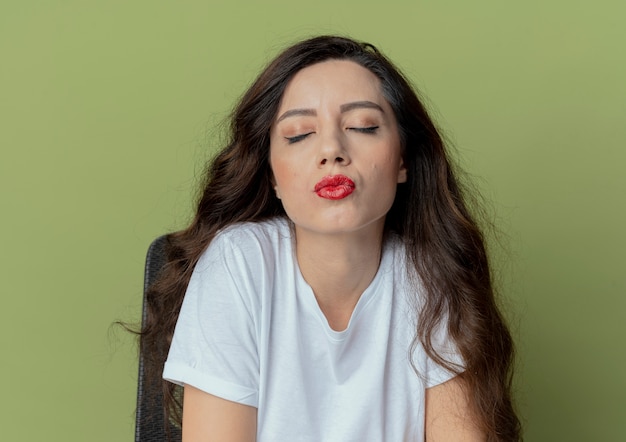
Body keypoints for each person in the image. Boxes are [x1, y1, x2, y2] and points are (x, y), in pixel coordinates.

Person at [140, 35, 521, 441]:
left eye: (363, 126)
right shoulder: (237, 263)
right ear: (272, 176)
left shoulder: (433, 275)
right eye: (300, 134)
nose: (331, 150)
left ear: (403, 160)